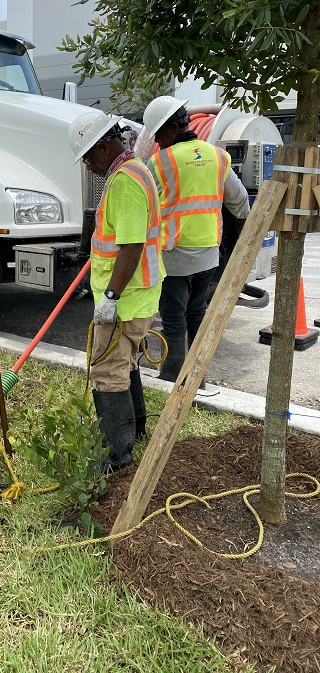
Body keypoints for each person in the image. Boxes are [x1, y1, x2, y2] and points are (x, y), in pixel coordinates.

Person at [68, 113, 165, 471]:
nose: (89, 166)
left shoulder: (124, 182)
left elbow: (131, 246)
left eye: (89, 157)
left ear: (105, 147)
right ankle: (135, 432)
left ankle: (117, 456)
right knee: (127, 365)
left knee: (108, 374)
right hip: (139, 296)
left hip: (125, 301)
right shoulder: (137, 170)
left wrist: (109, 298)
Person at [143, 96, 250, 384]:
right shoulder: (218, 156)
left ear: (173, 129)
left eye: (159, 134)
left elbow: (144, 205)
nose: (157, 141)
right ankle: (197, 377)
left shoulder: (160, 161)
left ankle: (172, 373)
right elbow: (240, 203)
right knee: (197, 312)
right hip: (208, 254)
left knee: (173, 315)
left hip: (175, 253)